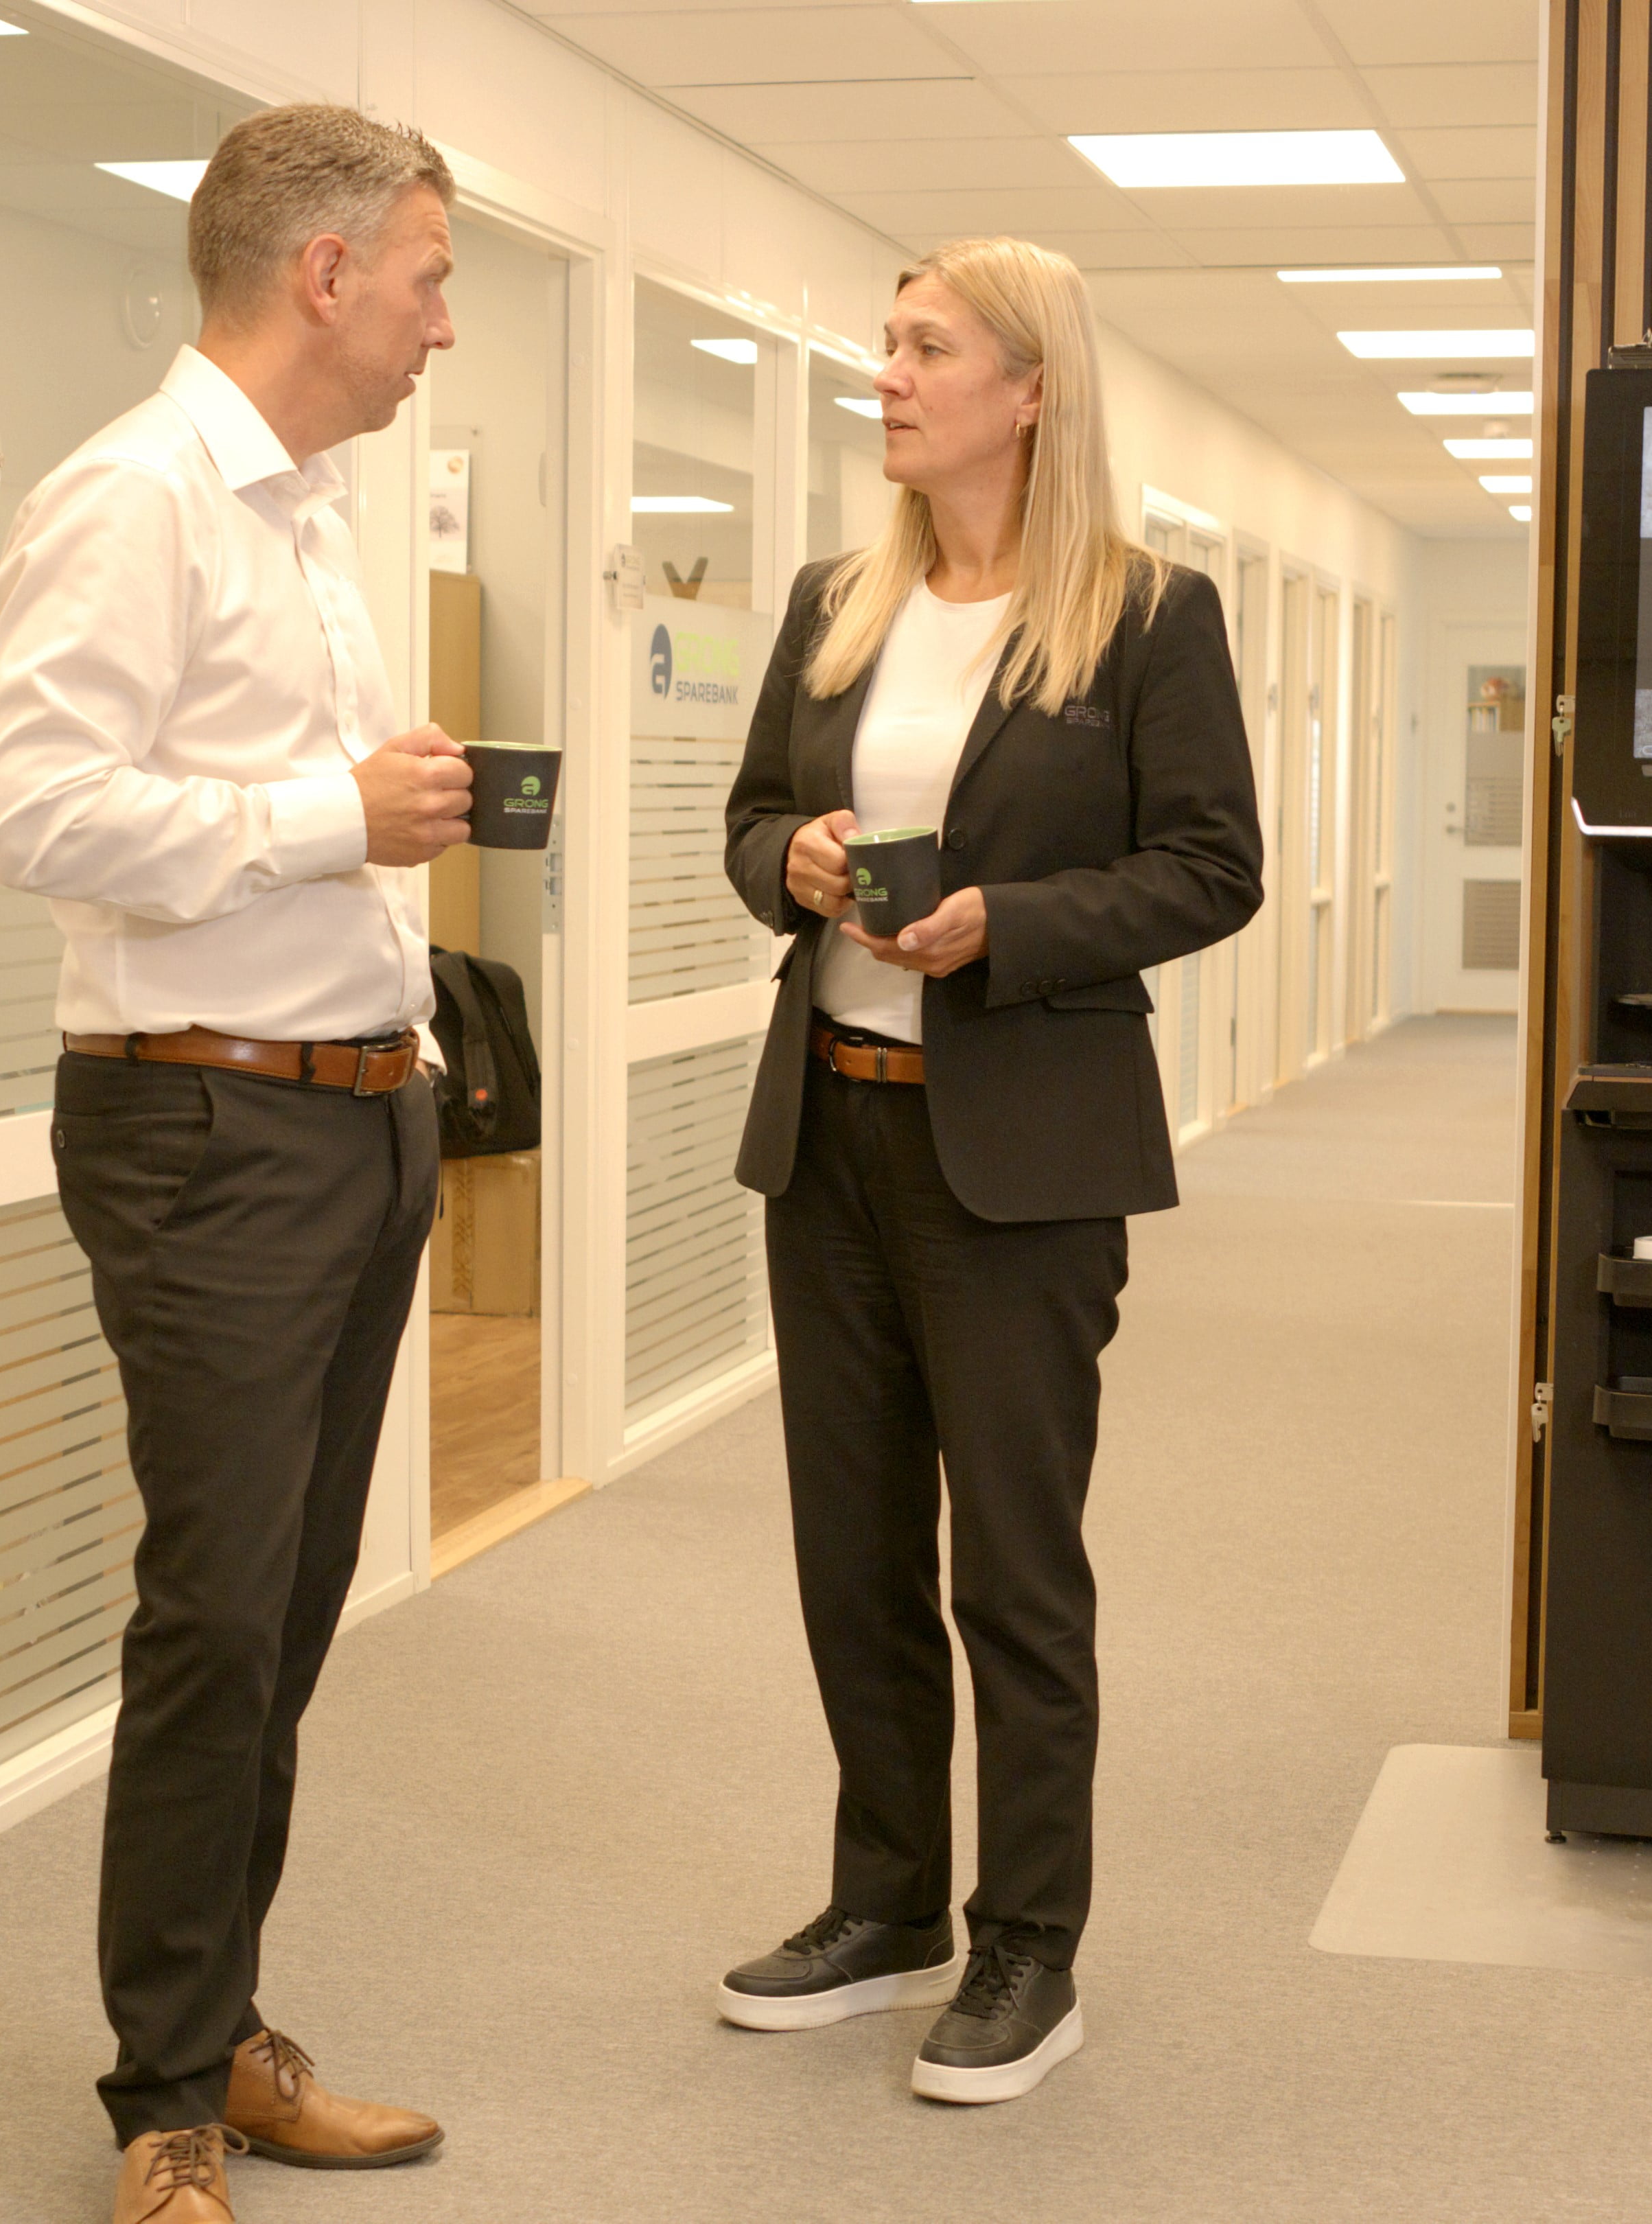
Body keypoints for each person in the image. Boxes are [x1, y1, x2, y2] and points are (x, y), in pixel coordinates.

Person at [0, 104, 474, 2224]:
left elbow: (272, 800)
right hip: (210, 1128)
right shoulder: (137, 497)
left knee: (281, 1613)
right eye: (429, 280)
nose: (442, 324)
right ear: (324, 272)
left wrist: (366, 833)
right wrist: (327, 816)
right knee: (215, 1619)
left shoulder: (309, 510)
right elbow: (38, 811)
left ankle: (226, 2030)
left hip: (357, 1115)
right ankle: (165, 2101)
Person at [714, 237, 1264, 2105]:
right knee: (850, 1552)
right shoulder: (835, 601)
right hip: (831, 1131)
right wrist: (793, 861)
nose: (887, 375)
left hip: (1020, 1158)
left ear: (1029, 391)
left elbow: (1210, 865)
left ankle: (1030, 1940)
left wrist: (1005, 925)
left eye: (925, 348)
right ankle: (885, 1905)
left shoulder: (1144, 616)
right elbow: (751, 818)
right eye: (887, 344)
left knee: (1012, 1569)